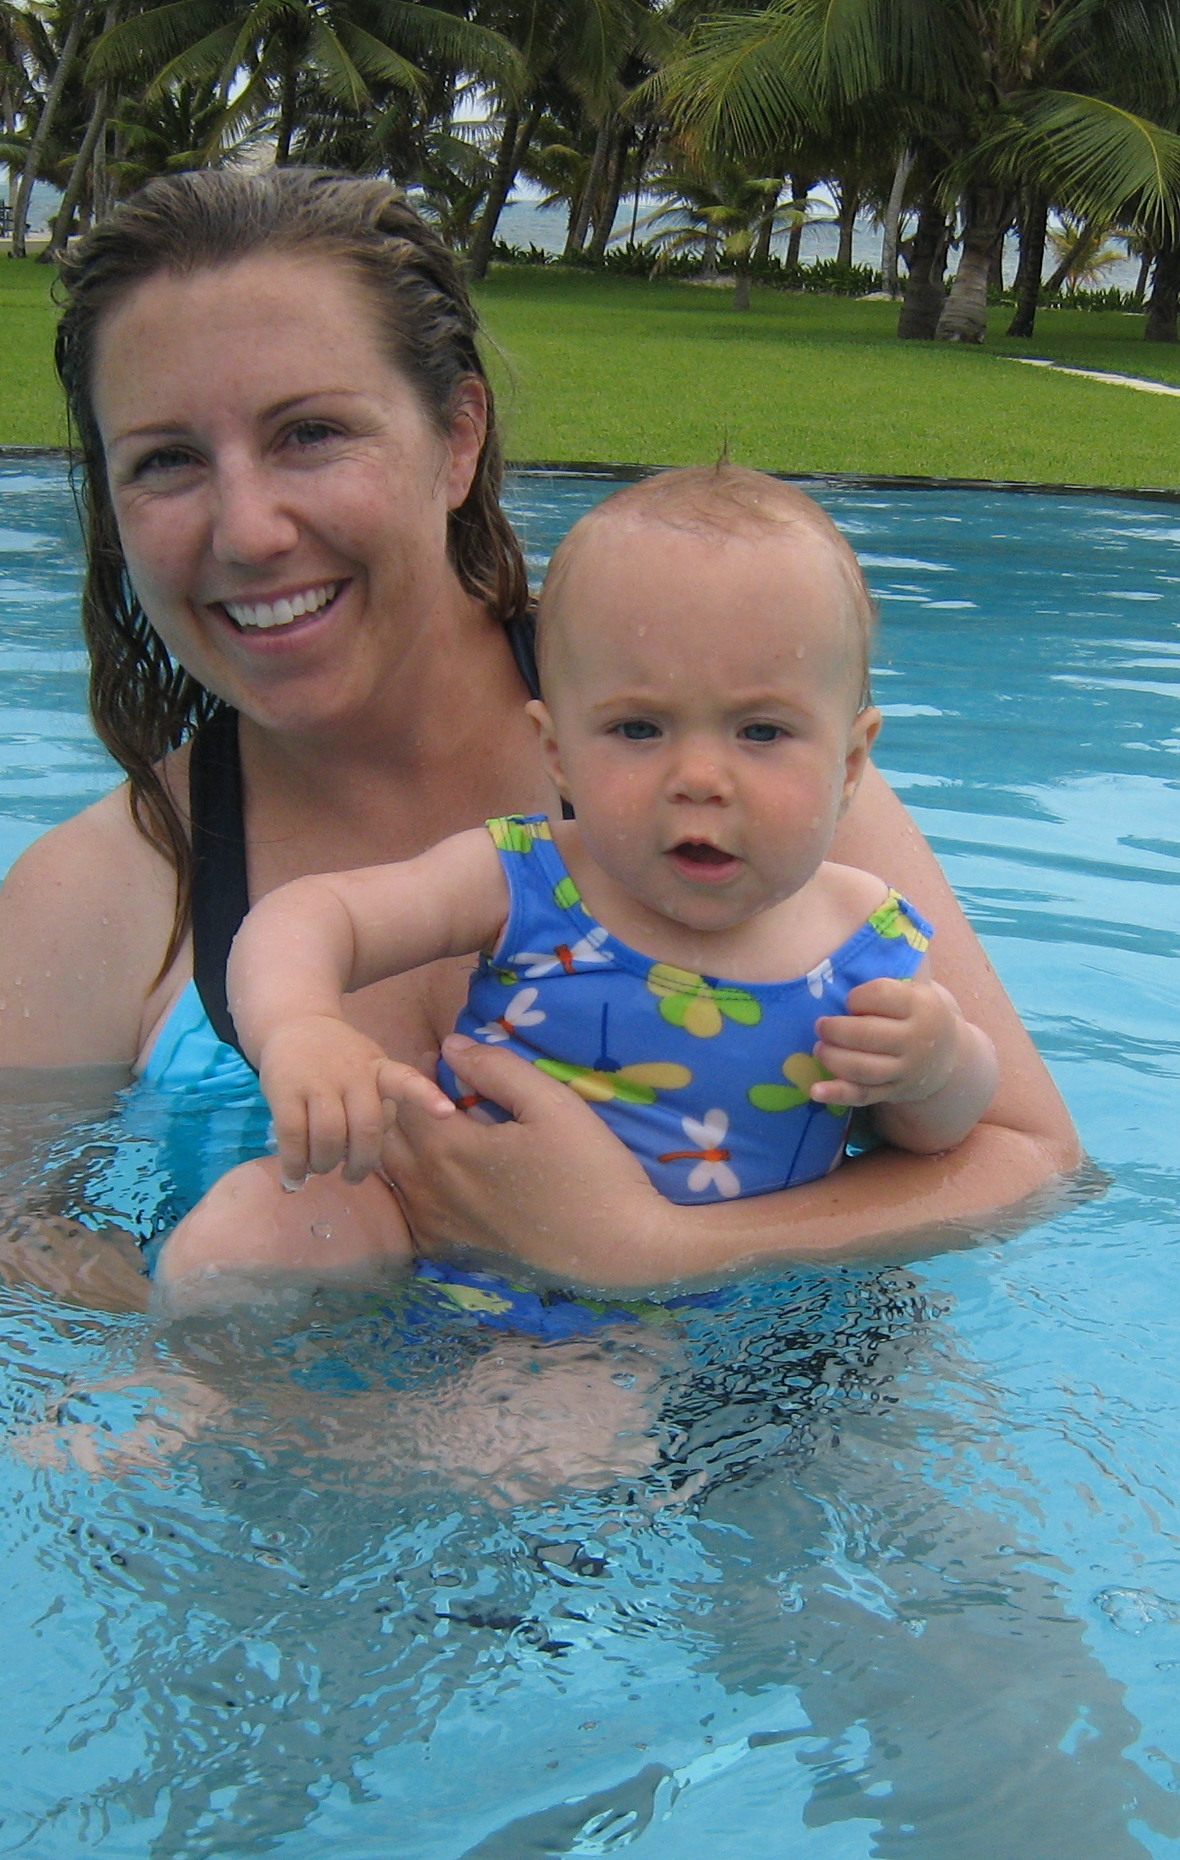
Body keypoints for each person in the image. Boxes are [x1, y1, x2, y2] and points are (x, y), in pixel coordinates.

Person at [0, 168, 1078, 1311]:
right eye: (167, 462)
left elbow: (1029, 1160)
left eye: (311, 434)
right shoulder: (96, 890)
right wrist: (183, 1341)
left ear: (458, 438)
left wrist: (652, 1249)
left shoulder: (742, 784)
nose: (249, 530)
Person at [155, 462, 999, 1320]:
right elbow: (311, 914)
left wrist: (937, 1069)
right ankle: (174, 1379)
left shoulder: (864, 942)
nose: (699, 777)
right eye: (638, 728)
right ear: (557, 753)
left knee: (569, 1395)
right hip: (422, 1228)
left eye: (760, 731)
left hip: (646, 1317)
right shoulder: (524, 876)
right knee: (257, 1221)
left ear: (850, 764)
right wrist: (301, 1026)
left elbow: (936, 1139)